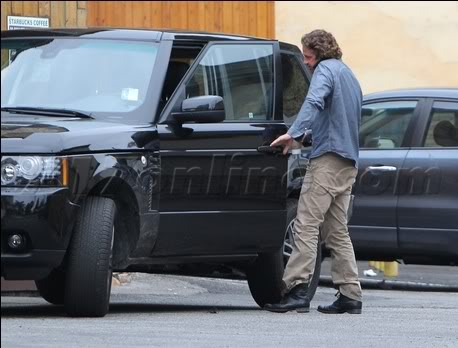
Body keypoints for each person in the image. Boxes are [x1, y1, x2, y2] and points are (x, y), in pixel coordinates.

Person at [264, 29, 363, 314]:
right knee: (337, 231)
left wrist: (292, 132)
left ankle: (296, 290)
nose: (306, 63)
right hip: (348, 162)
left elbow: (314, 102)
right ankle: (350, 294)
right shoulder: (349, 75)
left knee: (305, 224)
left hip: (328, 161)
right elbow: (334, 120)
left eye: (308, 56)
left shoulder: (325, 71)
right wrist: (303, 138)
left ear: (319, 53)